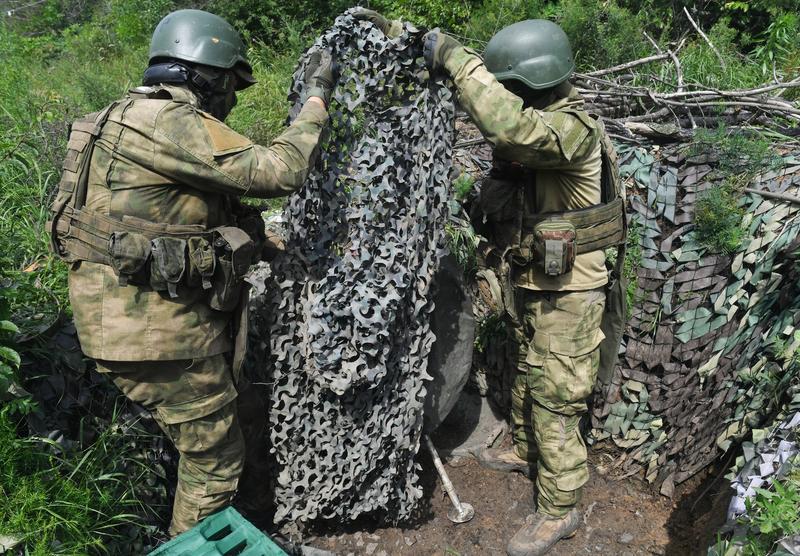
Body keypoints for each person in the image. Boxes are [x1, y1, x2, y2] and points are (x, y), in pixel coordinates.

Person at [48, 9, 335, 536]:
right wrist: (316, 99)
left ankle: (236, 523)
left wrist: (274, 249)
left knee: (217, 428)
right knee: (213, 458)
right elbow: (280, 171)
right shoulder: (166, 121)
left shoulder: (119, 116)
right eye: (229, 83)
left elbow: (184, 212)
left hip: (129, 324)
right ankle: (198, 547)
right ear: (206, 73)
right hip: (157, 333)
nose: (230, 96)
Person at [355, 10, 624, 556]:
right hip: (537, 283)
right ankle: (526, 451)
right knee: (530, 374)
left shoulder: (569, 130)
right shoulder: (540, 137)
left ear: (531, 82)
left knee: (556, 397)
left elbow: (509, 127)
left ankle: (560, 508)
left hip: (570, 296)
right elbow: (499, 192)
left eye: (511, 86)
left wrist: (456, 57)